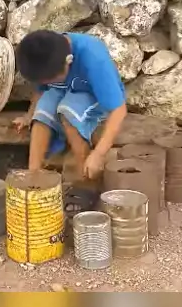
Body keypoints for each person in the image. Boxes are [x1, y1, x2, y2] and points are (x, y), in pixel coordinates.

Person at [13, 30, 128, 213]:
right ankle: (33, 178)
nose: (46, 82)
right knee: (42, 112)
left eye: (51, 80)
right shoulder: (44, 54)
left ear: (69, 61)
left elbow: (119, 110)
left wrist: (98, 154)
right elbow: (41, 92)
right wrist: (29, 116)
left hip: (93, 94)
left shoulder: (93, 58)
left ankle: (86, 182)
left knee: (68, 111)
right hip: (65, 90)